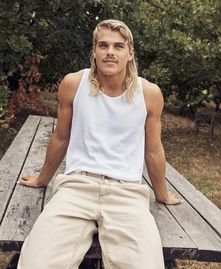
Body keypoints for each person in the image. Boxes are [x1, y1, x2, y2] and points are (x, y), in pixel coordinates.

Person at [17, 19, 182, 269]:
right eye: (103, 45)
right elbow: (61, 137)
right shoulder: (73, 84)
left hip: (127, 193)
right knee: (35, 262)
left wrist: (161, 193)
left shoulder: (148, 93)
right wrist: (42, 179)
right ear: (94, 51)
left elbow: (153, 149)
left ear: (130, 53)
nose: (110, 52)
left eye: (118, 46)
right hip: (76, 187)